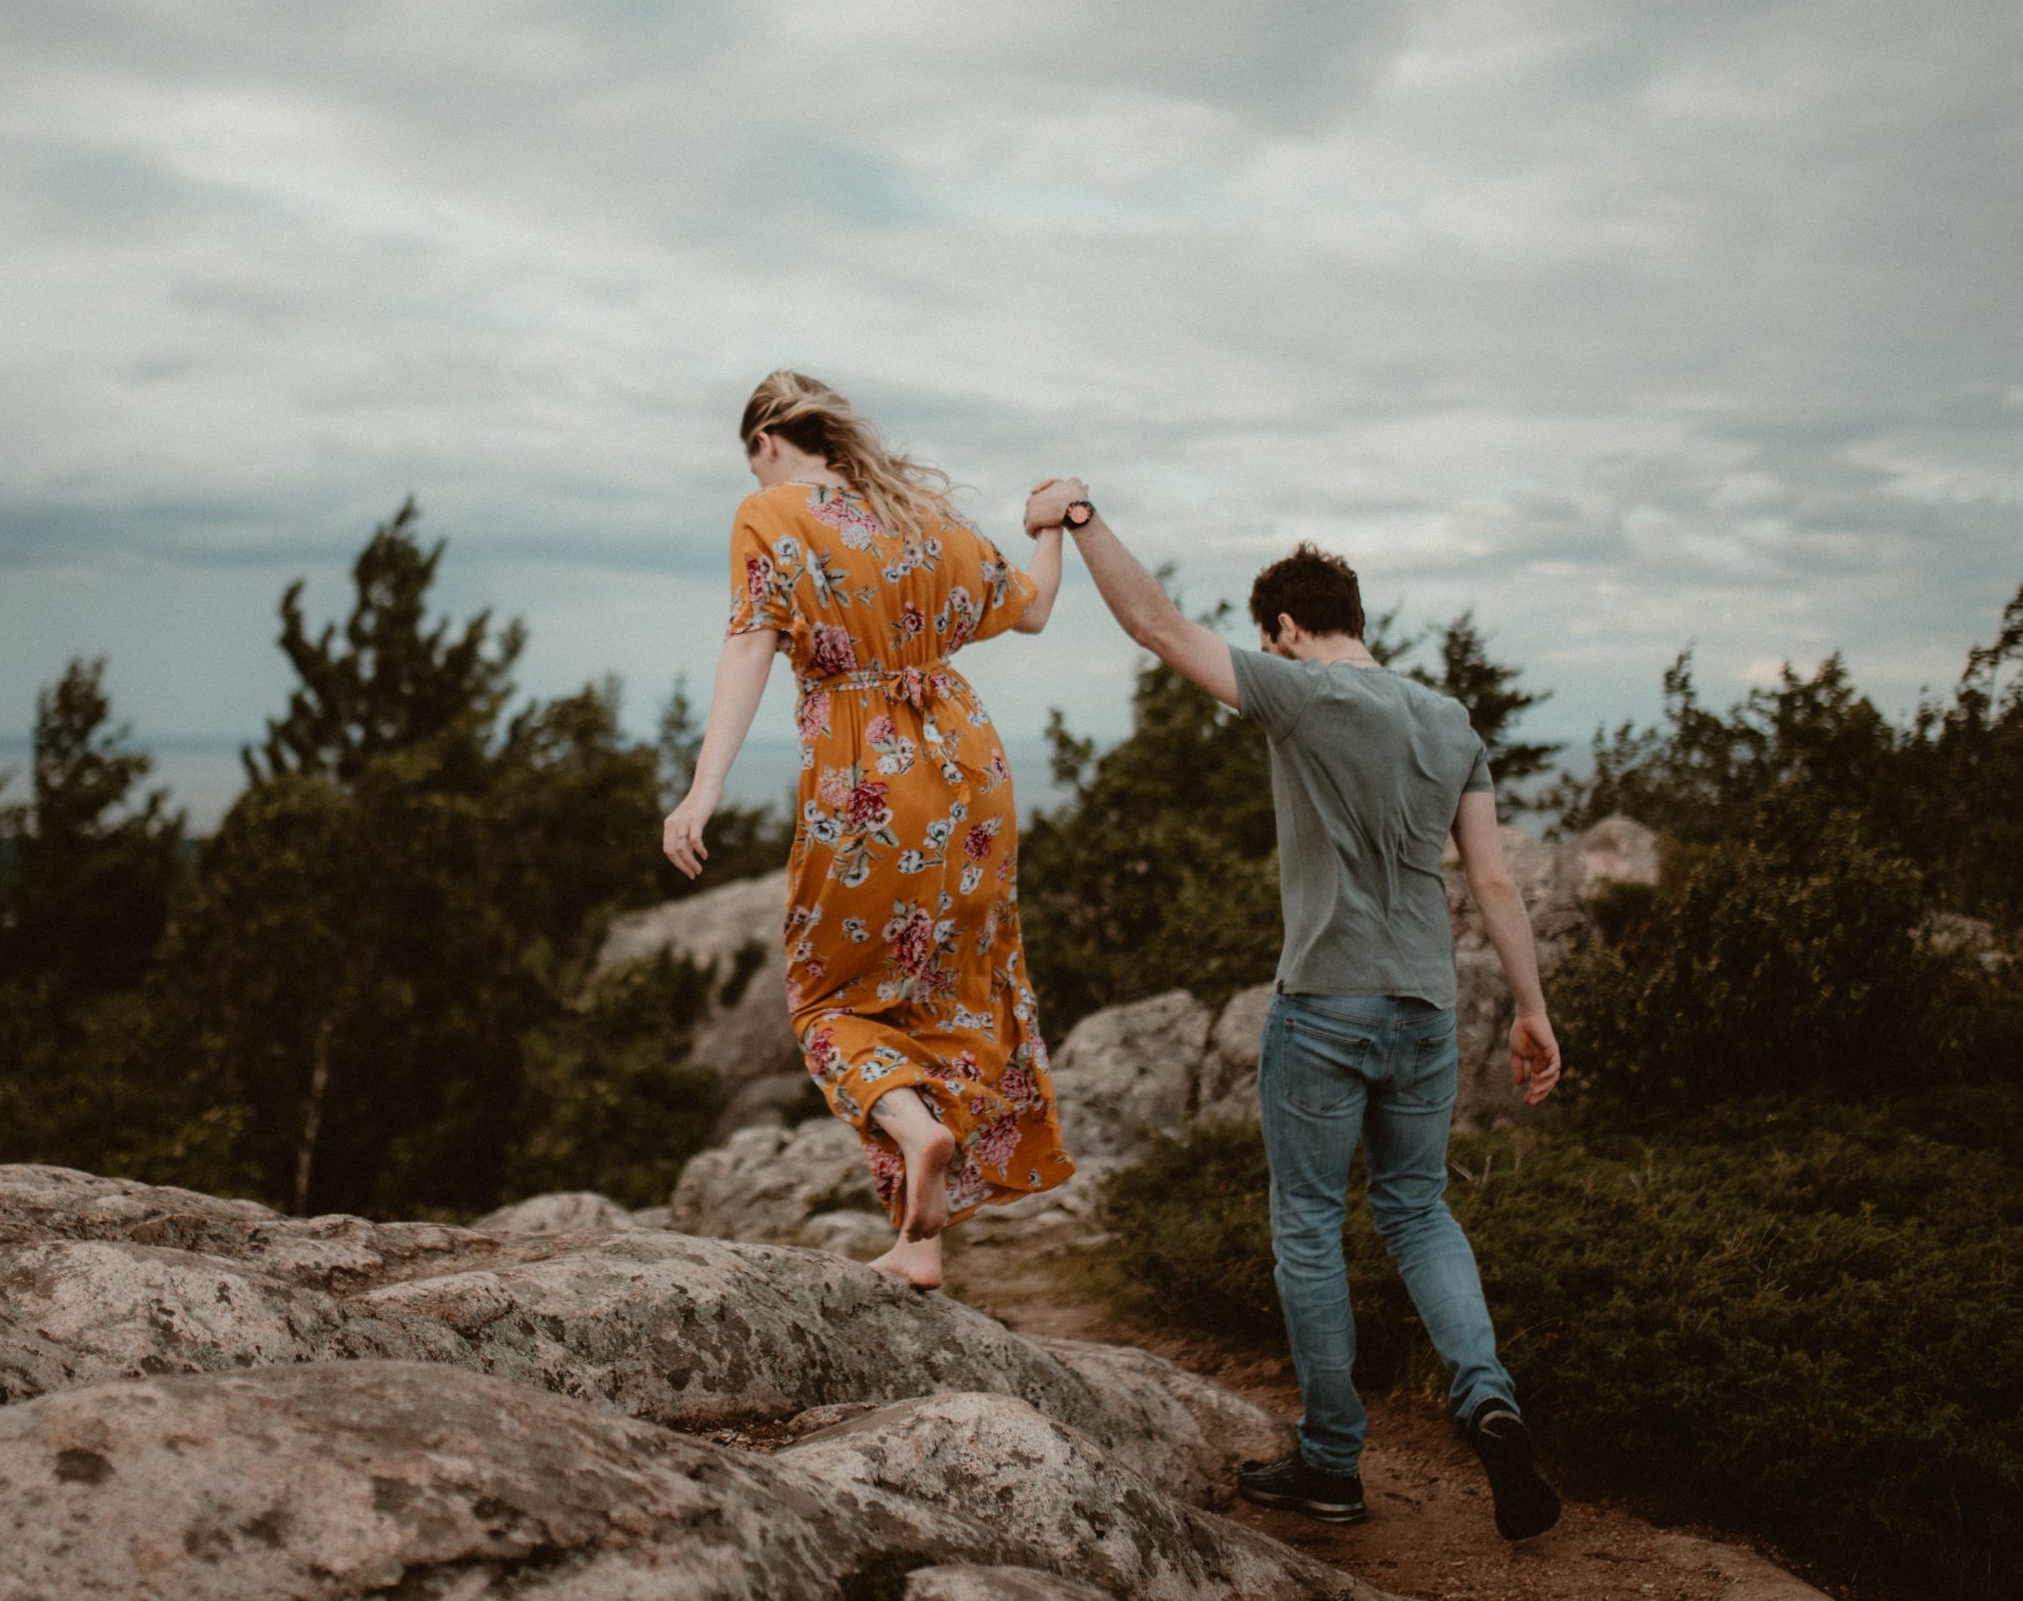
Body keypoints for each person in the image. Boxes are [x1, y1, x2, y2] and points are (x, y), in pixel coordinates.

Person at [1021, 476, 1565, 1542]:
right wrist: (1532, 1008)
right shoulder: (1449, 719)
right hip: (1427, 1006)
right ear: (1354, 618)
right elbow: (1494, 881)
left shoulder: (1299, 692)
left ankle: (1329, 1462)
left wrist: (1078, 518)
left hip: (1324, 1004)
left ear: (1282, 627)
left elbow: (1152, 623)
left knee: (1310, 1223)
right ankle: (1488, 1398)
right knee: (1418, 1210)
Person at [664, 371, 1076, 1291]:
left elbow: (749, 643)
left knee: (828, 1003)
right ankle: (921, 1242)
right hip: (969, 777)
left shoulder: (768, 511)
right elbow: (1036, 608)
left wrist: (702, 790)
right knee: (957, 987)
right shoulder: (914, 512)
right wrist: (1051, 526)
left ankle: (915, 1132)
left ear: (768, 440)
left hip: (867, 785)